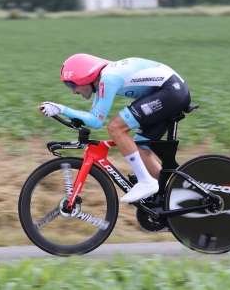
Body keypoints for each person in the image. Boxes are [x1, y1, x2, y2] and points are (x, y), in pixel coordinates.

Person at [37, 54, 191, 203]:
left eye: (72, 84)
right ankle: (176, 194)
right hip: (168, 92)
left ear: (87, 77)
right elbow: (93, 118)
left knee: (116, 127)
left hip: (171, 91)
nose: (73, 91)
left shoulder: (108, 78)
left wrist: (61, 108)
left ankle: (146, 182)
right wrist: (62, 111)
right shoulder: (101, 80)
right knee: (141, 150)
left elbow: (97, 121)